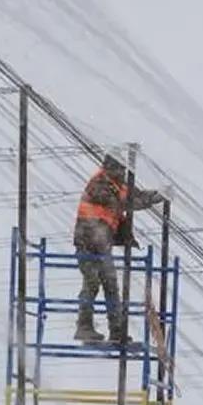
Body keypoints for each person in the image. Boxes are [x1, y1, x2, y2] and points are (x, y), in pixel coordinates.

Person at [73, 147, 165, 347]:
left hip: (102, 245)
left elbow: (136, 197)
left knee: (111, 286)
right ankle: (84, 326)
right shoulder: (100, 183)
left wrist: (157, 195)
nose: (122, 174)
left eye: (123, 170)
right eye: (119, 170)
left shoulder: (118, 185)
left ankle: (117, 330)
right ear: (110, 168)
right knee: (92, 282)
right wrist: (144, 201)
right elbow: (124, 202)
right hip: (87, 242)